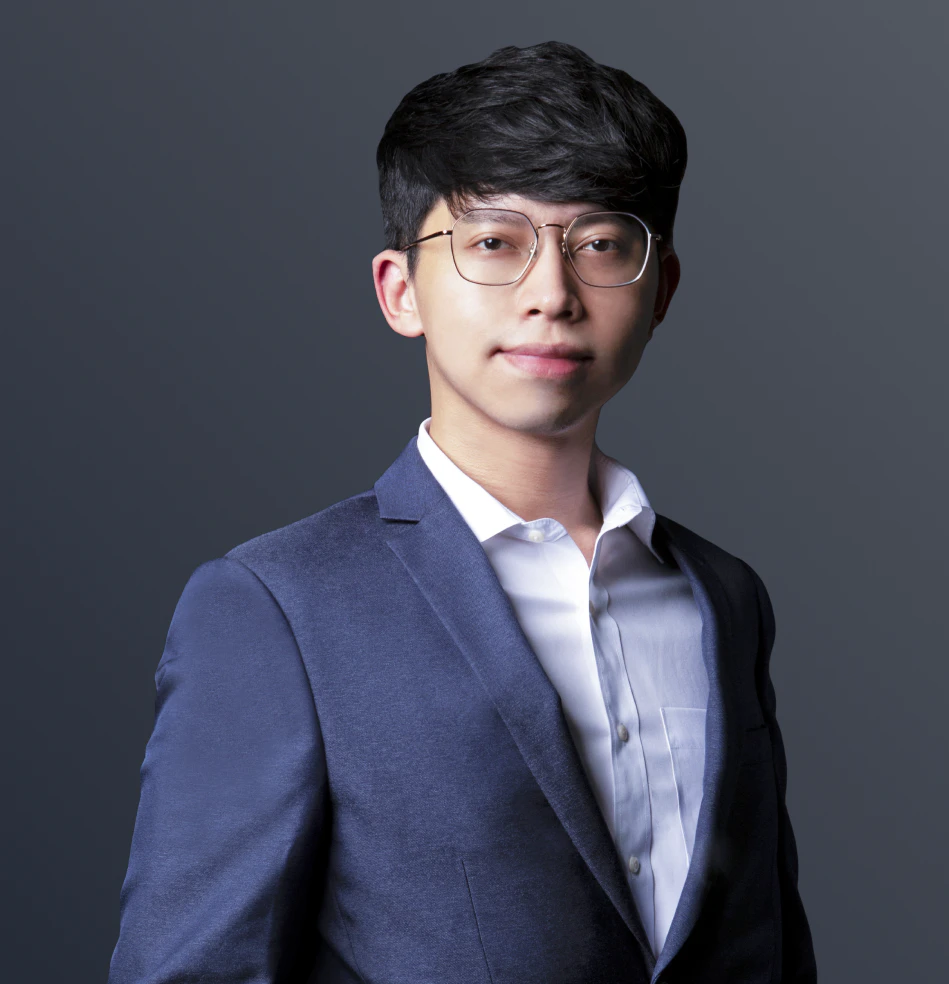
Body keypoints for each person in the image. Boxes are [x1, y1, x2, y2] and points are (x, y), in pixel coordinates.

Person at [107, 40, 816, 984]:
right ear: (400, 291)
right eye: (494, 243)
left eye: (601, 245)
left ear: (661, 291)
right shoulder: (277, 609)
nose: (552, 295)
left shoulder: (724, 596)